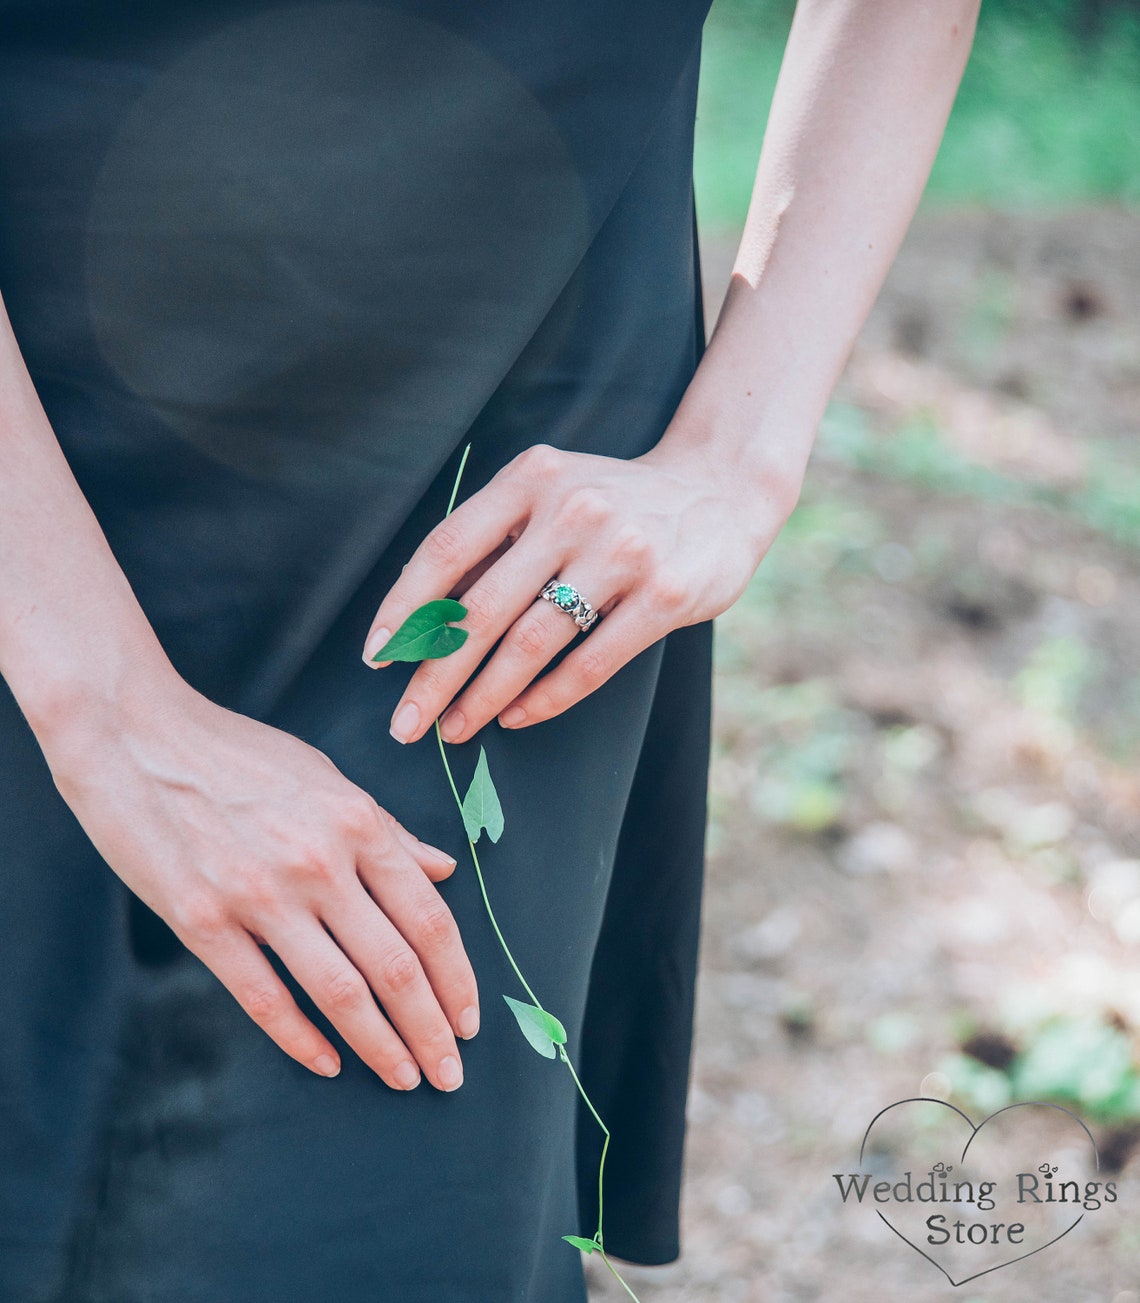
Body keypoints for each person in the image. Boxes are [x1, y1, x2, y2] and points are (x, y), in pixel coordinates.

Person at [0, 1, 979, 1298]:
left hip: (504, 499)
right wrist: (108, 707)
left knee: (382, 1208)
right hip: (38, 456)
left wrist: (743, 454)